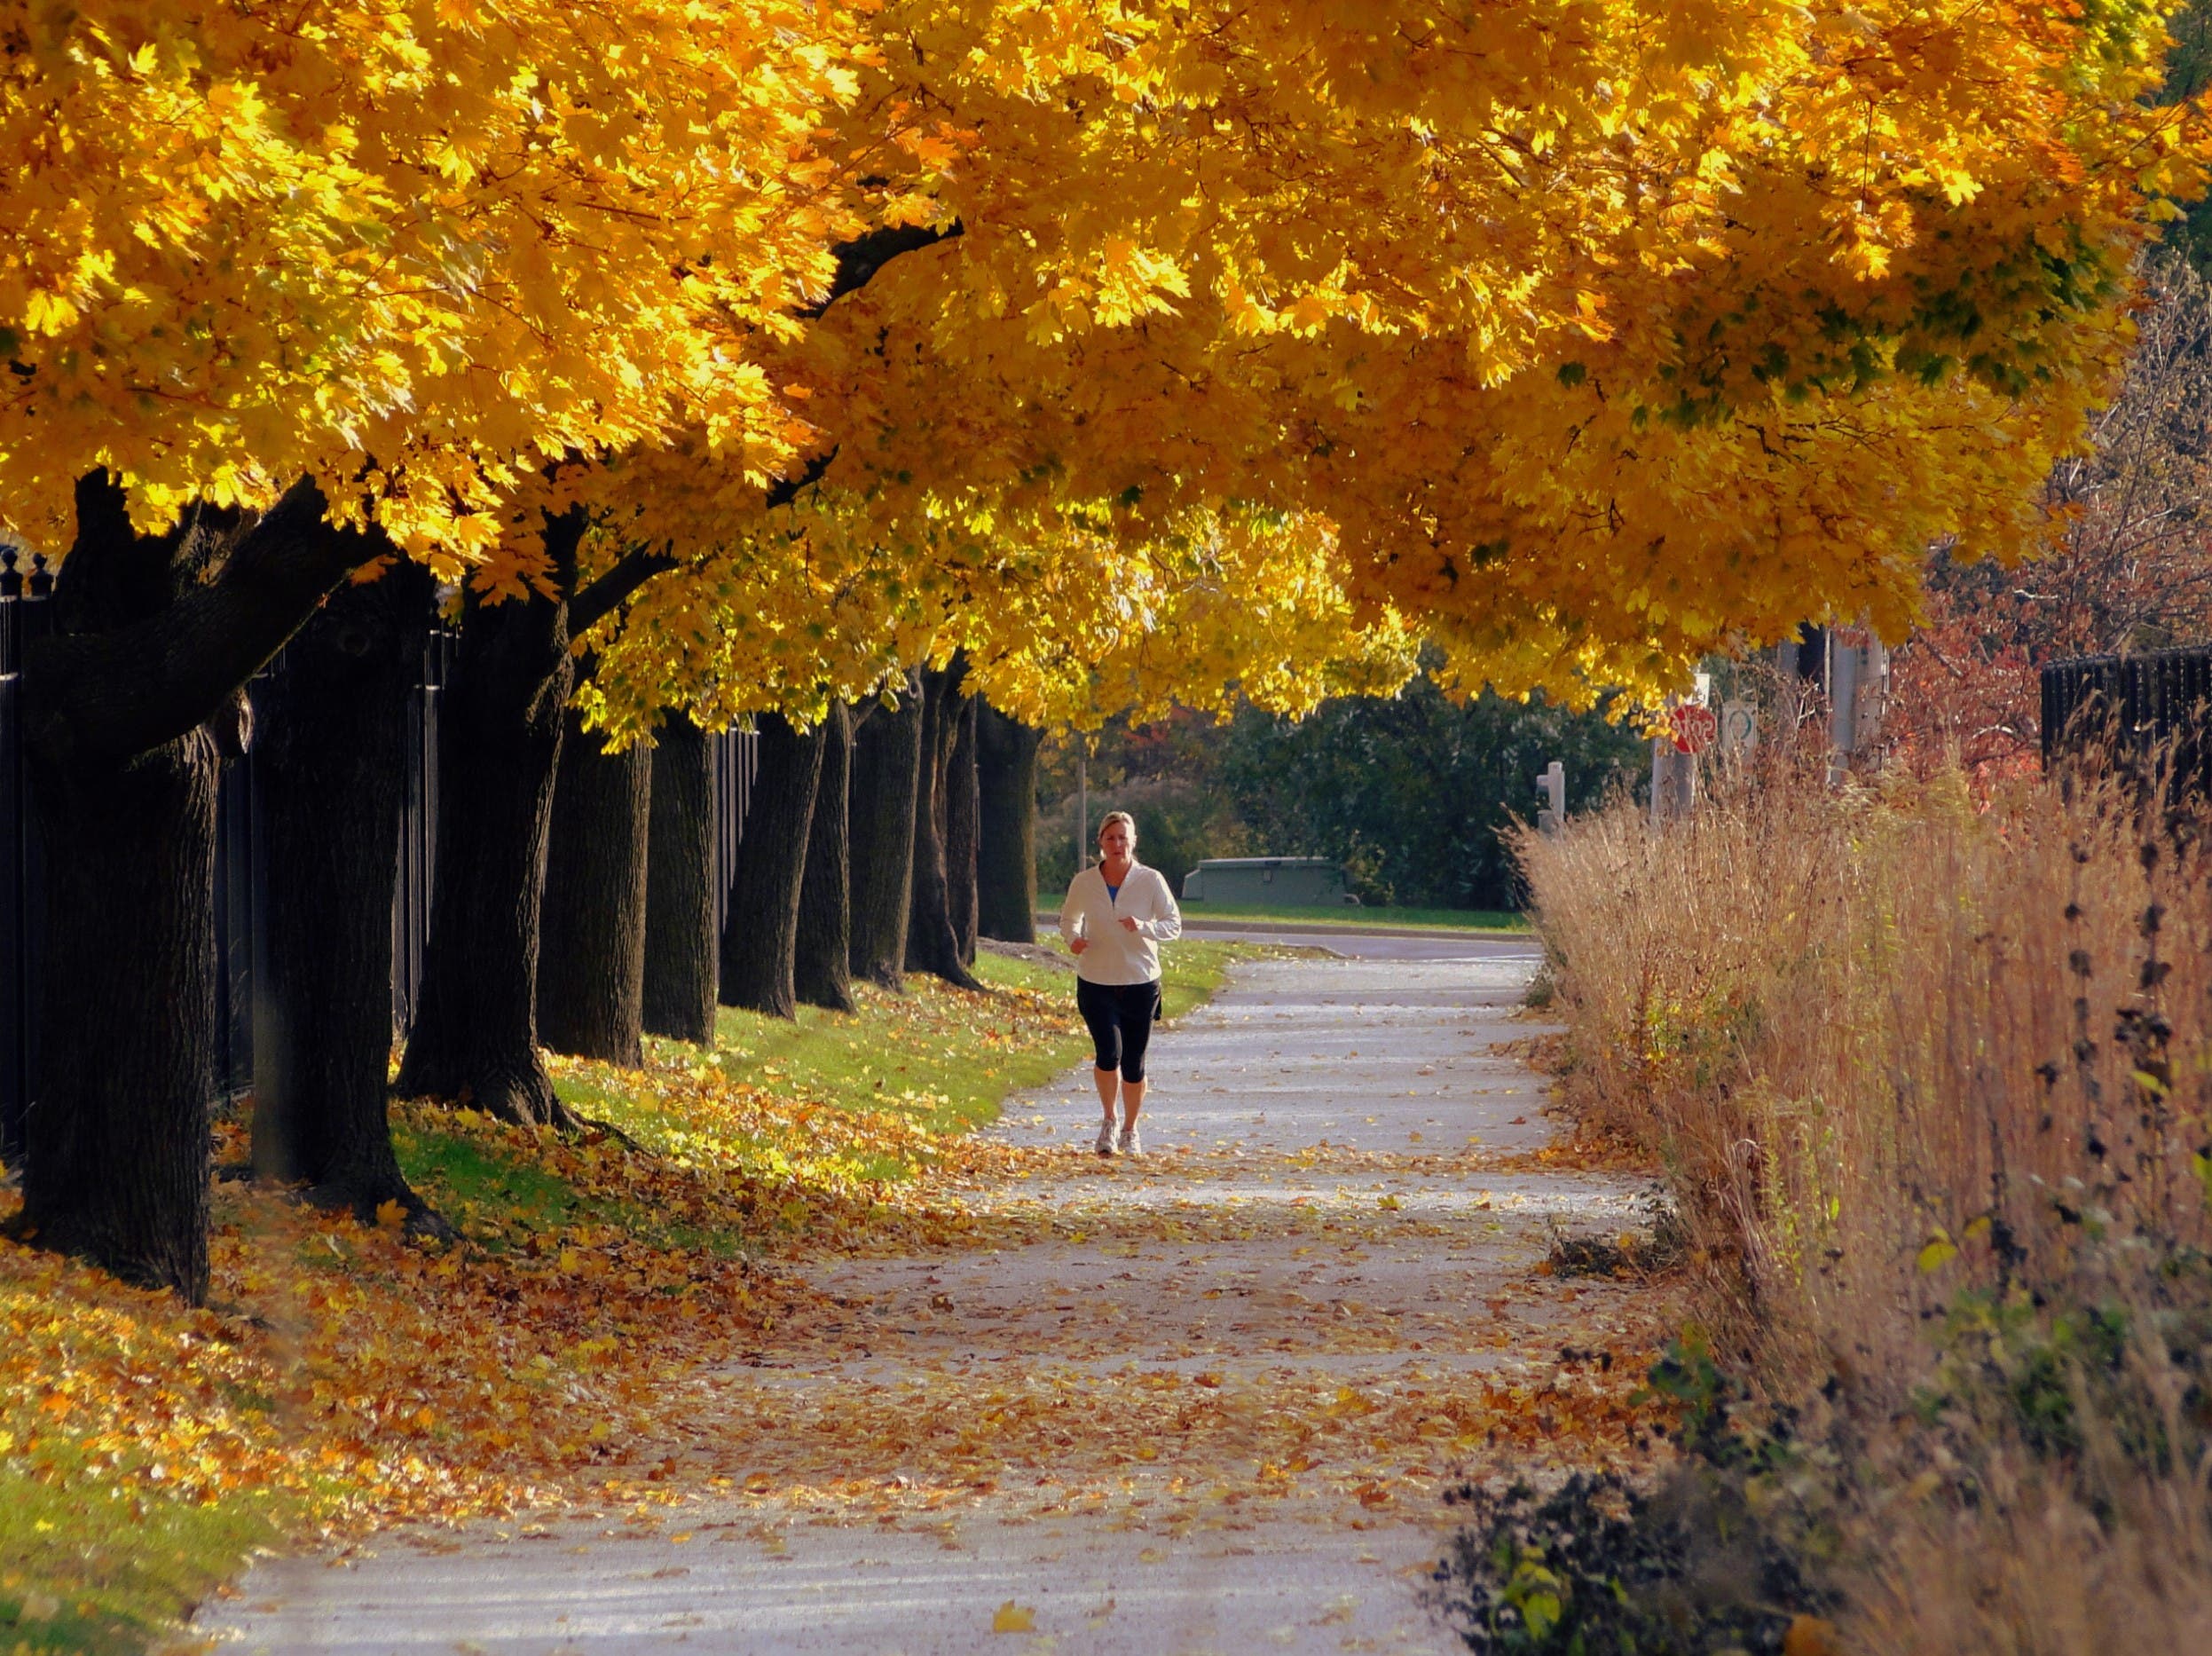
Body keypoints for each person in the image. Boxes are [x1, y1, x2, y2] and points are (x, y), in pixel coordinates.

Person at [1059, 810, 1181, 1156]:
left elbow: (1173, 924)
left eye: (1123, 838)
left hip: (1140, 981)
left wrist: (1145, 927)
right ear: (1100, 842)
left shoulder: (1151, 880)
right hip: (1096, 980)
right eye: (1110, 838)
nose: (1117, 844)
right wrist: (1073, 939)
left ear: (1133, 841)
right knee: (1108, 1054)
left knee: (1134, 1064)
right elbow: (1069, 919)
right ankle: (1109, 1121)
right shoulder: (1084, 882)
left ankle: (1131, 1129)